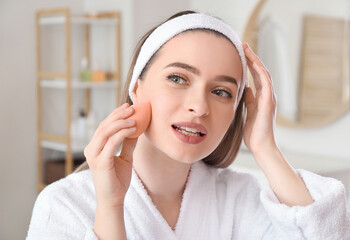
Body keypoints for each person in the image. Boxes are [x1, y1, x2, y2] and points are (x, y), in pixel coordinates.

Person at [27, 10, 350, 240]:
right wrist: (110, 207)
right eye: (178, 78)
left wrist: (265, 147)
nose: (199, 106)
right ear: (136, 88)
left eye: (222, 92)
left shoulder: (243, 199)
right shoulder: (64, 204)